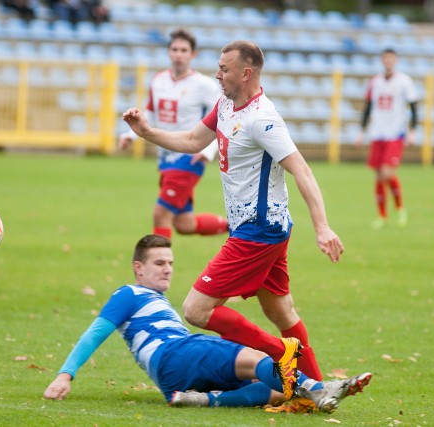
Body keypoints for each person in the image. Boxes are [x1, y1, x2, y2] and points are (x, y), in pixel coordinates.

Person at [122, 41, 344, 399]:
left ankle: (284, 356)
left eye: (224, 69)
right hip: (265, 228)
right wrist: (147, 133)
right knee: (281, 310)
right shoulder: (226, 104)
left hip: (259, 231)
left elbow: (301, 170)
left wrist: (322, 226)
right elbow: (194, 140)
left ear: (246, 73)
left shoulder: (264, 119)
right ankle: (318, 390)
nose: (217, 73)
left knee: (196, 309)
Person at [43, 234, 372, 413]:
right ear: (137, 268)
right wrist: (65, 375)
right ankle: (317, 388)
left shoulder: (155, 302)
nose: (167, 269)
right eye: (159, 263)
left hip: (173, 378)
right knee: (256, 359)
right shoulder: (129, 293)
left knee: (274, 394)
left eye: (170, 263)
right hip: (177, 353)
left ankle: (204, 400)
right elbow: (95, 333)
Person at [118, 29, 228, 241]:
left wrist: (208, 151)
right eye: (175, 49)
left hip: (188, 156)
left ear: (192, 54)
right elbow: (151, 111)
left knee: (161, 215)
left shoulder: (204, 85)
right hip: (166, 157)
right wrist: (130, 135)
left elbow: (222, 117)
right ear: (169, 52)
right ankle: (238, 228)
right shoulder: (158, 80)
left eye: (184, 50)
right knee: (184, 224)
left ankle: (159, 270)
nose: (179, 54)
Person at [355, 48, 419, 229]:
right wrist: (362, 131)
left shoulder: (405, 81)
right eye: (385, 59)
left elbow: (414, 107)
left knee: (386, 173)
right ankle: (382, 216)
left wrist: (412, 130)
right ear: (382, 60)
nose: (388, 62)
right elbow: (368, 107)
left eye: (391, 59)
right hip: (377, 132)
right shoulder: (375, 82)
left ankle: (400, 209)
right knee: (378, 176)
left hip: (395, 133)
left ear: (396, 60)